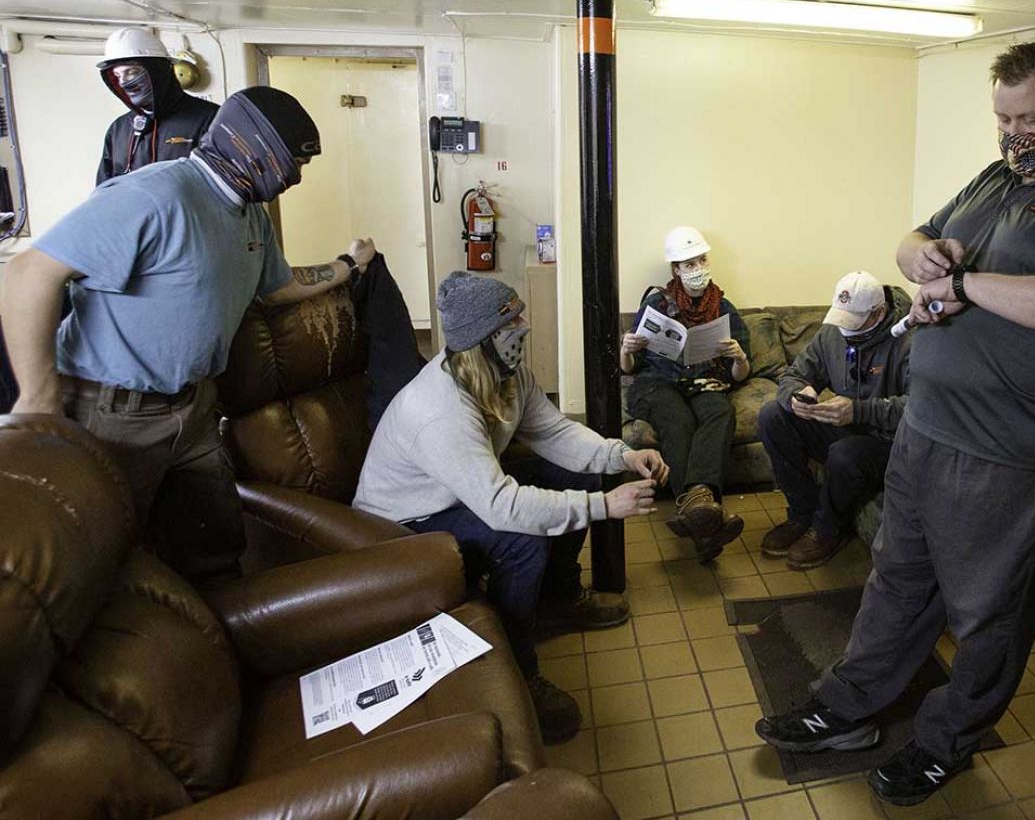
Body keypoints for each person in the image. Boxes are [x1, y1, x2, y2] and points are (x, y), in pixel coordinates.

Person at [755, 42, 1035, 807]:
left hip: (1009, 452)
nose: (1012, 132)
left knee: (990, 617)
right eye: (1001, 117)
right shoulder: (995, 178)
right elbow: (911, 240)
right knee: (896, 584)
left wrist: (966, 284)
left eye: (1029, 116)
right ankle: (848, 706)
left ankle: (947, 743)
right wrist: (926, 257)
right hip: (926, 433)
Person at [2, 86, 376, 580]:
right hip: (114, 412)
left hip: (194, 409)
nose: (296, 178)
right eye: (293, 163)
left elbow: (280, 287)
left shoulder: (248, 216)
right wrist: (39, 398)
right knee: (106, 559)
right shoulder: (156, 195)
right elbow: (28, 274)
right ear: (254, 149)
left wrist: (348, 265)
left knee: (215, 542)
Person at [353, 270, 670, 745]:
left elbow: (552, 431)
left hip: (464, 489)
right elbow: (502, 506)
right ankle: (519, 671)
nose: (525, 325)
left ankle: (557, 600)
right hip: (406, 520)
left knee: (580, 471)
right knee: (522, 543)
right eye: (512, 320)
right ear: (483, 339)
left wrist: (618, 455)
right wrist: (605, 505)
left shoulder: (508, 370)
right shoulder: (438, 410)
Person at [756, 271, 910, 569]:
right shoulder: (832, 333)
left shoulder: (910, 340)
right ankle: (802, 514)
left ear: (878, 313)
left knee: (845, 454)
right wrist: (797, 395)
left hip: (890, 442)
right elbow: (794, 375)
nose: (844, 329)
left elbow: (920, 408)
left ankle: (828, 530)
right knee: (773, 415)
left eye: (853, 321)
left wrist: (859, 410)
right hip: (847, 427)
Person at [620, 226, 750, 563]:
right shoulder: (656, 303)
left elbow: (741, 375)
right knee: (677, 419)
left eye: (702, 260)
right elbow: (628, 368)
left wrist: (739, 357)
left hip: (704, 382)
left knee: (720, 412)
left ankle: (697, 511)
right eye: (689, 264)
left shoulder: (723, 306)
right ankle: (705, 508)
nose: (698, 269)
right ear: (675, 270)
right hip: (656, 384)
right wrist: (627, 348)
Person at [96, 27, 220, 185]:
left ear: (159, 70)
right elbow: (104, 194)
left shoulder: (209, 119)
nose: (124, 82)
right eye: (118, 76)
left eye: (132, 72)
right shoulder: (119, 130)